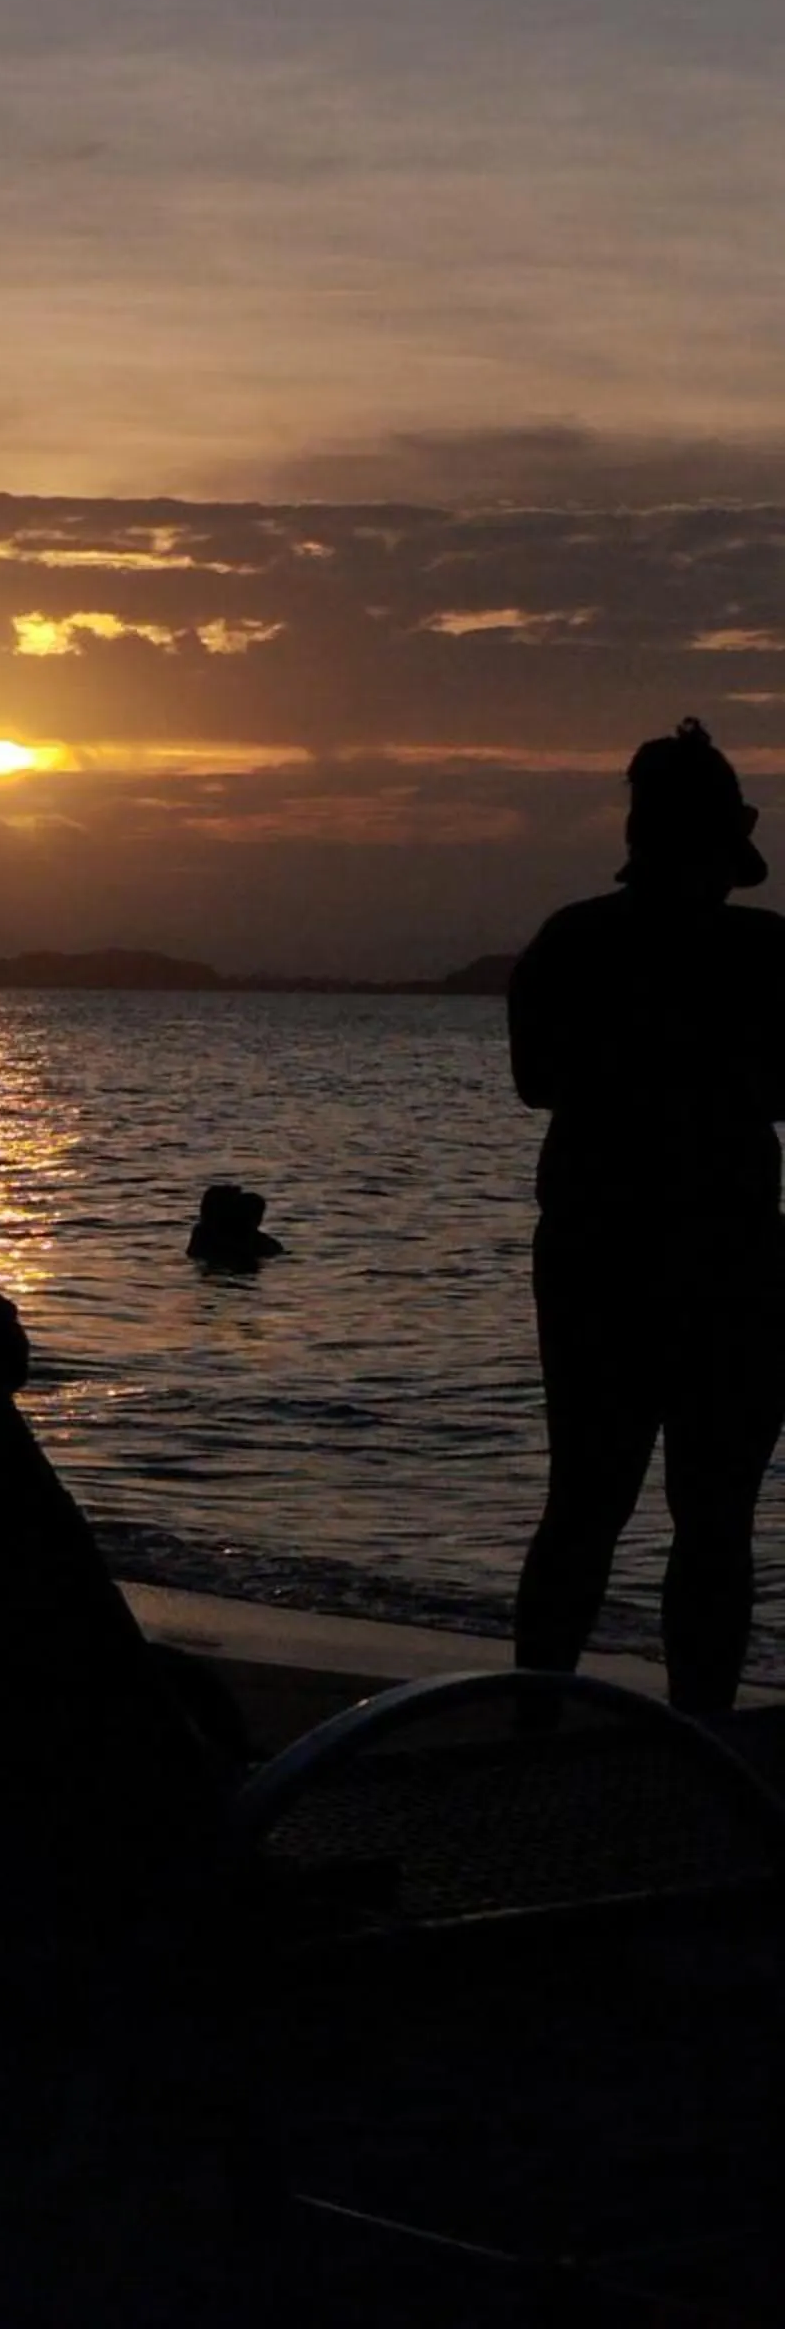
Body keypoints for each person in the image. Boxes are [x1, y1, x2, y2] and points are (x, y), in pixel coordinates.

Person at [510, 718, 785, 1714]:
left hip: (596, 1258)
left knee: (584, 1505)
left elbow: (533, 1080)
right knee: (711, 1519)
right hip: (725, 1265)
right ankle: (697, 1737)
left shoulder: (569, 941)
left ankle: (531, 1720)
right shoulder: (763, 955)